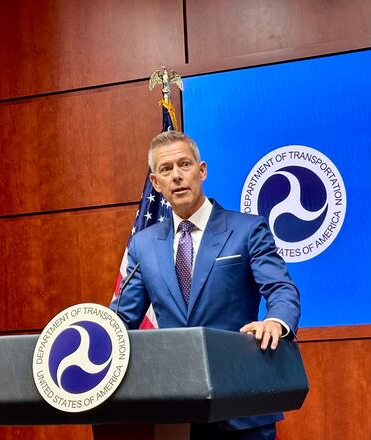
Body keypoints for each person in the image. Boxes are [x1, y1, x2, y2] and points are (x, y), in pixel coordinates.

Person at [112, 131, 301, 440]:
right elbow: (122, 318)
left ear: (201, 171)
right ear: (156, 183)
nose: (177, 176)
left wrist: (276, 323)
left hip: (241, 405)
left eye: (184, 165)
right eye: (166, 169)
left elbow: (281, 289)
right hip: (176, 410)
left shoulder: (247, 230)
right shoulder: (143, 244)